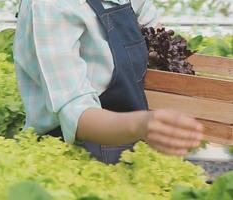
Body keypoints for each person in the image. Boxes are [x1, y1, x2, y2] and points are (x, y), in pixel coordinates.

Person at [13, 0, 204, 164]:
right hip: (71, 158)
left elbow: (156, 37)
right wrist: (142, 125)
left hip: (131, 147)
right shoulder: (49, 6)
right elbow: (77, 116)